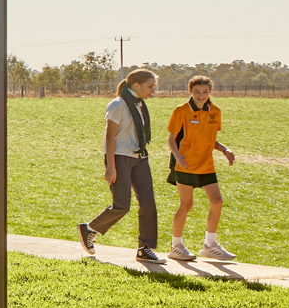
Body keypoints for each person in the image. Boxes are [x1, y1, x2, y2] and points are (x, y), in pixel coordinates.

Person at [78, 68, 164, 263]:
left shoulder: (140, 105)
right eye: (150, 87)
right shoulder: (118, 104)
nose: (153, 91)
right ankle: (89, 229)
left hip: (140, 157)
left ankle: (145, 248)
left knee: (148, 203)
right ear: (136, 85)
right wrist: (111, 166)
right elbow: (110, 136)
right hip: (120, 157)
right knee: (122, 205)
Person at [167, 74, 239, 263]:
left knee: (217, 202)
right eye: (197, 92)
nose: (201, 95)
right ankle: (176, 246)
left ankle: (210, 245)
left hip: (206, 165)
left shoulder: (215, 111)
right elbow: (171, 139)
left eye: (205, 92)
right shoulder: (181, 110)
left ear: (210, 92)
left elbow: (209, 139)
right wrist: (178, 158)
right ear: (190, 91)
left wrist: (225, 149)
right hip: (185, 164)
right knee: (186, 204)